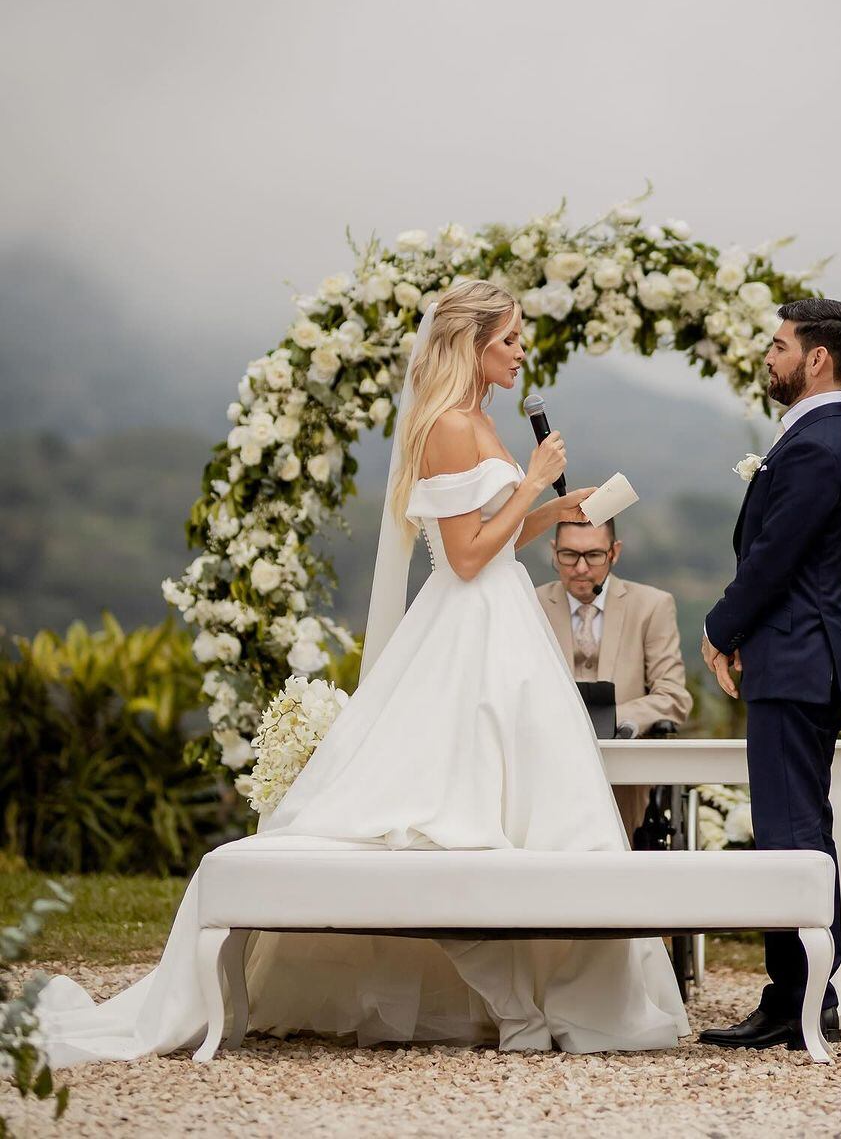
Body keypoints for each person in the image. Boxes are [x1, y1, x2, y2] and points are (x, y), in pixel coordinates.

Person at [38, 280, 689, 1065]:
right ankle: (515, 1005)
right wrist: (531, 480)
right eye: (511, 339)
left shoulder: (482, 418)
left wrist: (553, 509)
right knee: (451, 828)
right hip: (466, 637)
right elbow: (463, 558)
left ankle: (561, 998)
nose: (522, 353)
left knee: (536, 813)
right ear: (471, 343)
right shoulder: (446, 425)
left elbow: (495, 537)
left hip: (505, 626)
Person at [698, 298, 841, 1052]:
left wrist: (719, 627)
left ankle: (802, 1001)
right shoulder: (821, 435)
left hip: (797, 658)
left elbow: (774, 557)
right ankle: (801, 995)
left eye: (778, 345)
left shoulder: (819, 445)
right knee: (796, 829)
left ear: (817, 358)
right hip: (799, 657)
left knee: (792, 835)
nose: (767, 357)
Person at [536, 519, 692, 837]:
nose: (581, 568)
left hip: (623, 772)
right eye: (569, 555)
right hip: (546, 763)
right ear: (554, 551)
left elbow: (673, 696)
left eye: (594, 555)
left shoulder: (652, 605)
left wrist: (609, 720)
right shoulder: (531, 605)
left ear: (614, 552)